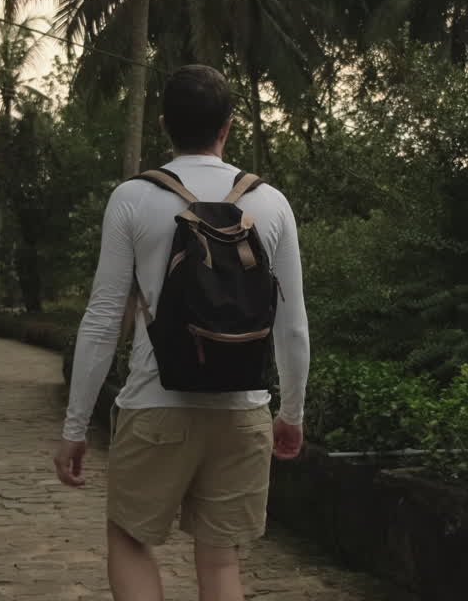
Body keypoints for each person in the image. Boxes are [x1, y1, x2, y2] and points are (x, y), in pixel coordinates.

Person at [54, 64, 310, 601]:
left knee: (129, 539)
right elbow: (292, 325)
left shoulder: (133, 197)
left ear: (165, 123)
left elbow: (104, 319)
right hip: (243, 411)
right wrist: (291, 414)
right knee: (220, 563)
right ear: (229, 125)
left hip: (154, 405)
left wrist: (76, 425)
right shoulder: (271, 202)